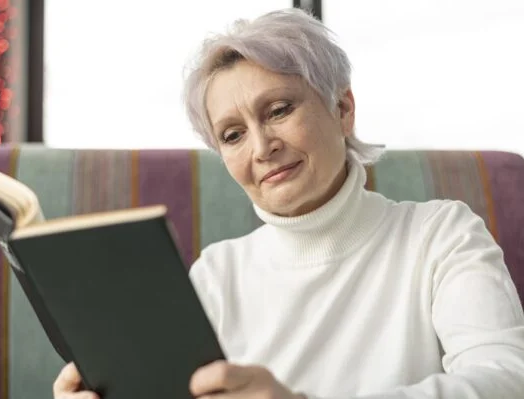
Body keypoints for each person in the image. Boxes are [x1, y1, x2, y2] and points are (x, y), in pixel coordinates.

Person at [53, 8, 524, 399]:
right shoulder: (215, 276)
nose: (261, 147)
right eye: (233, 135)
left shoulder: (441, 235)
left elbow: (506, 380)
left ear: (343, 109)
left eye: (279, 110)